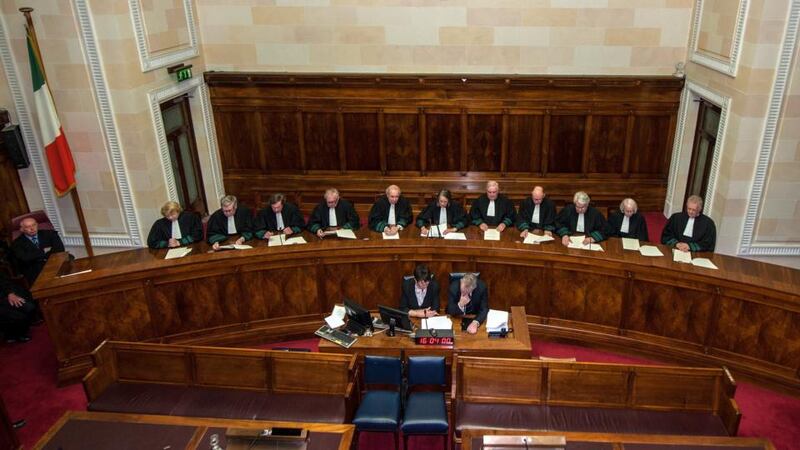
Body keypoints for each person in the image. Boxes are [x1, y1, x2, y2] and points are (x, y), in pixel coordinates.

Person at [11, 217, 65, 285]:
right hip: (34, 270)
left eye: (34, 225)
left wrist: (35, 255)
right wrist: (44, 251)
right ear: (22, 229)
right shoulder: (17, 243)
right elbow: (24, 258)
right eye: (28, 227)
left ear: (37, 225)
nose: (32, 228)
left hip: (53, 262)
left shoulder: (50, 234)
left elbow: (60, 249)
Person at [0, 272, 40, 343]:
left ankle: (19, 331)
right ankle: (11, 335)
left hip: (4, 296)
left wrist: (10, 293)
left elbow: (4, 281)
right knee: (19, 316)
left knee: (30, 308)